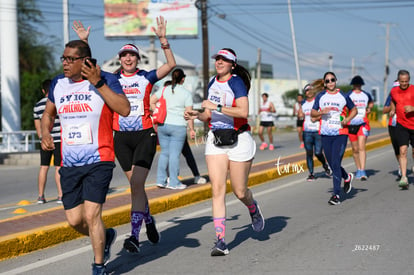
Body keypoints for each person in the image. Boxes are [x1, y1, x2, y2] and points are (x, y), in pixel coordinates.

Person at [73, 16, 175, 254]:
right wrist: (85, 43)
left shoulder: (146, 77)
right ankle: (148, 219)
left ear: (137, 59)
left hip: (144, 136)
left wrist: (163, 41)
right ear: (119, 59)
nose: (128, 58)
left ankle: (134, 236)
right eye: (124, 55)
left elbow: (170, 65)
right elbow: (88, 70)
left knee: (137, 184)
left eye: (132, 55)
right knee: (136, 187)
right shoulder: (112, 79)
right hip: (121, 138)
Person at [40, 40, 130, 275]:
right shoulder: (58, 84)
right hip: (69, 163)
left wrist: (97, 82)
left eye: (70, 59)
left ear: (84, 61)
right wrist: (45, 133)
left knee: (92, 215)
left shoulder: (106, 79)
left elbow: (124, 109)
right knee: (74, 220)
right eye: (63, 58)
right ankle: (107, 235)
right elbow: (47, 115)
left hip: (99, 158)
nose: (65, 64)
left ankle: (99, 266)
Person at [185, 48, 265, 256]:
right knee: (217, 190)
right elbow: (208, 115)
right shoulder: (212, 82)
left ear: (232, 64)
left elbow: (243, 111)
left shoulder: (236, 82)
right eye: (217, 59)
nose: (219, 62)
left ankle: (253, 208)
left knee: (240, 191)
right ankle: (220, 241)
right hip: (216, 139)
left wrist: (217, 105)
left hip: (239, 139)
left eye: (224, 59)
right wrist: (197, 114)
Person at [311, 72, 357, 205]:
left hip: (340, 133)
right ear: (324, 83)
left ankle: (336, 195)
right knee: (331, 164)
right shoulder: (321, 96)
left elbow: (354, 110)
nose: (330, 82)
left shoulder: (343, 96)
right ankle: (347, 177)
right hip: (326, 134)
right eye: (327, 81)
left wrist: (348, 119)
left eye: (332, 80)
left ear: (336, 81)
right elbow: (313, 113)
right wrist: (321, 112)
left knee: (336, 163)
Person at [151, 68, 194, 189]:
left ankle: (160, 180)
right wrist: (191, 129)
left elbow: (151, 101)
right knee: (174, 155)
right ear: (183, 79)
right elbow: (189, 114)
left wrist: (158, 111)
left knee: (164, 153)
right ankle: (174, 182)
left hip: (163, 125)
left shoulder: (164, 90)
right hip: (178, 126)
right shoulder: (186, 94)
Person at [33, 79, 63, 204]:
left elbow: (38, 127)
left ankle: (41, 196)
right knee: (58, 167)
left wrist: (42, 139)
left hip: (44, 140)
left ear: (43, 90)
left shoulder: (37, 105)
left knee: (43, 167)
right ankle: (61, 196)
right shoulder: (58, 102)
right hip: (58, 139)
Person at [298, 81, 331, 181]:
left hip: (317, 131)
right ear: (305, 93)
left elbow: (324, 113)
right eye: (306, 90)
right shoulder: (303, 103)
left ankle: (325, 165)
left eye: (310, 89)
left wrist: (316, 118)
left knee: (318, 152)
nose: (308, 91)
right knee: (309, 153)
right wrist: (300, 114)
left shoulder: (318, 101)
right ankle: (311, 173)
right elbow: (300, 115)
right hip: (307, 131)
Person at [346, 75, 374, 181]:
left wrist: (369, 108)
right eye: (355, 84)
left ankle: (363, 170)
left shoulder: (366, 95)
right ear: (353, 85)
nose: (357, 86)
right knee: (355, 149)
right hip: (351, 124)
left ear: (361, 85)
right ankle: (358, 168)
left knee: (362, 147)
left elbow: (371, 102)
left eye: (359, 84)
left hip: (363, 123)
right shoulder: (348, 95)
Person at [390, 70, 414, 189]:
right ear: (398, 80)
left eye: (406, 81)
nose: (404, 84)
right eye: (402, 81)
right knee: (403, 150)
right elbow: (394, 101)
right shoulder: (394, 91)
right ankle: (404, 177)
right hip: (401, 124)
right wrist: (393, 109)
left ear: (409, 80)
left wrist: (413, 108)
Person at [383, 81, 401, 180]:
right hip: (393, 125)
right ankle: (401, 166)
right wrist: (393, 106)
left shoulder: (409, 95)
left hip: (407, 124)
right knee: (397, 148)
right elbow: (384, 110)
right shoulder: (390, 97)